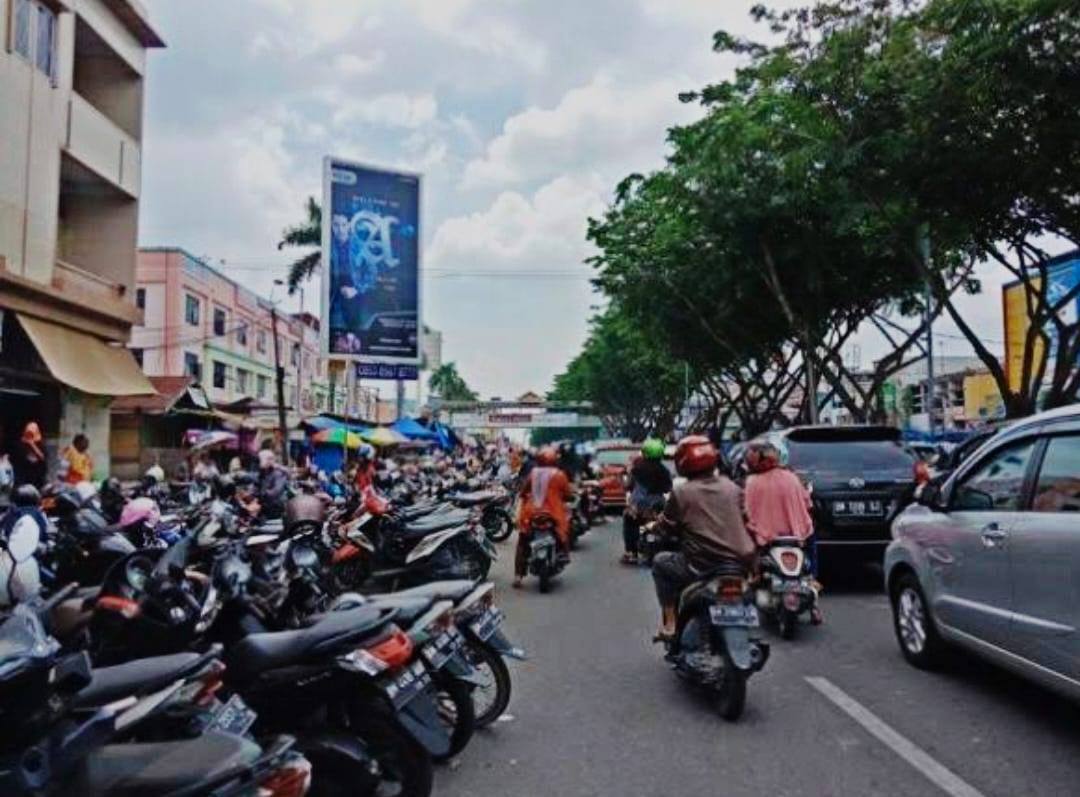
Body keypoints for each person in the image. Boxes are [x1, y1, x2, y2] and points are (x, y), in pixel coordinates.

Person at [651, 436, 756, 641]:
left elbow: (668, 526)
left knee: (660, 563)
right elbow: (747, 519)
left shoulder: (682, 492)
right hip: (739, 563)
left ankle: (670, 623)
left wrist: (655, 529)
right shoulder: (732, 487)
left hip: (702, 564)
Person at [743, 441, 822, 622]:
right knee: (811, 570)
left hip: (765, 538)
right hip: (799, 535)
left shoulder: (752, 482)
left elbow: (747, 513)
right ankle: (815, 602)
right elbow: (807, 503)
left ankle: (753, 577)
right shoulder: (791, 478)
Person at [513, 446, 573, 589]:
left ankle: (517, 576)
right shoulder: (560, 474)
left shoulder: (533, 473)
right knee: (564, 533)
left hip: (531, 514)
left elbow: (523, 491)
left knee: (522, 541)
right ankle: (564, 553)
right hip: (553, 514)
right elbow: (568, 494)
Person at [622, 439, 673, 565]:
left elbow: (628, 485)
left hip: (638, 507)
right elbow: (668, 488)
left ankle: (631, 552)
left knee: (629, 521)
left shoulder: (636, 469)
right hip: (657, 506)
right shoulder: (664, 471)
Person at [257, 449, 289, 520]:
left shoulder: (278, 474)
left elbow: (275, 492)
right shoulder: (263, 472)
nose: (258, 462)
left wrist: (261, 493)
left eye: (260, 459)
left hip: (276, 507)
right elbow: (257, 483)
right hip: (266, 505)